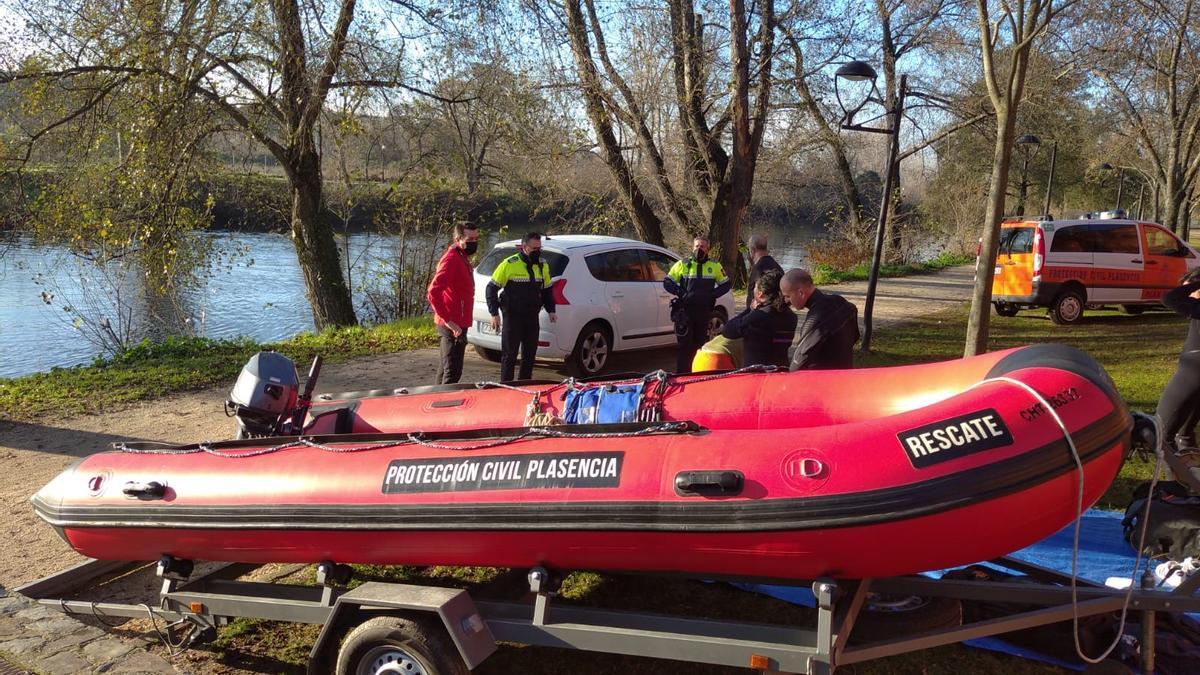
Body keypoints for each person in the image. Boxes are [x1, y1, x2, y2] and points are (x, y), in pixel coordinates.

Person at [486, 232, 556, 382]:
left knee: (530, 355)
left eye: (539, 248)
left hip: (531, 316)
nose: (537, 251)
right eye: (534, 248)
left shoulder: (542, 265)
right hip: (512, 316)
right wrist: (494, 313)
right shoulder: (509, 264)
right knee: (509, 355)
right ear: (524, 247)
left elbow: (547, 290)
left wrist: (551, 310)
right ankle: (506, 386)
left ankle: (524, 385)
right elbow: (491, 288)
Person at [1156, 269, 1200, 493]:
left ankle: (1175, 488)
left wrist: (1195, 285)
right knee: (1184, 433)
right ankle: (1194, 485)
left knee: (1160, 434)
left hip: (1193, 372)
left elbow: (1170, 298)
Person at [664, 236, 730, 373]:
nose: (699, 249)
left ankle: (697, 374)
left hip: (703, 312)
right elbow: (667, 282)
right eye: (696, 246)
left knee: (700, 345)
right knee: (684, 347)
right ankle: (681, 376)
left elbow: (726, 284)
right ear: (692, 247)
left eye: (702, 247)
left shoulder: (715, 266)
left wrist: (712, 295)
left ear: (708, 249)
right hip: (685, 313)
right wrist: (681, 292)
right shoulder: (683, 264)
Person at [426, 222, 480, 384]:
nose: (474, 242)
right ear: (458, 239)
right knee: (452, 371)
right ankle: (443, 405)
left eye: (476, 238)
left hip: (459, 320)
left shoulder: (461, 257)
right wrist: (448, 320)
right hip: (452, 324)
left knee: (447, 369)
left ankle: (436, 399)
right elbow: (433, 291)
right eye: (470, 238)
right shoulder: (451, 259)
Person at [780, 268, 860, 370]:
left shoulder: (814, 319)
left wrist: (788, 381)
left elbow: (800, 360)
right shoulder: (843, 303)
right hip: (845, 374)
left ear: (801, 293)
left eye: (787, 296)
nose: (786, 301)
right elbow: (855, 335)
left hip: (824, 380)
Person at [720, 270, 797, 368]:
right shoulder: (791, 316)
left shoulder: (760, 315)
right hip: (781, 370)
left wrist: (749, 310)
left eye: (754, 287)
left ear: (760, 293)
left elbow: (728, 331)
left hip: (758, 372)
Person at [745, 234, 783, 310]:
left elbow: (751, 296)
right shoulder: (778, 268)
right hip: (778, 311)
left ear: (752, 250)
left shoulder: (758, 269)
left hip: (760, 314)